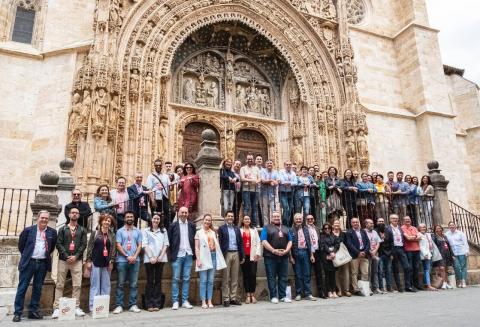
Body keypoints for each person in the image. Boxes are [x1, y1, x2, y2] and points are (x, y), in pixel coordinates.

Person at [13, 211, 57, 322]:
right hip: (29, 263)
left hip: (42, 263)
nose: (44, 220)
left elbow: (51, 248)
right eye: (42, 217)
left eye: (46, 218)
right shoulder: (28, 230)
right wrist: (28, 256)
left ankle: (33, 311)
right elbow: (21, 246)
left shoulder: (52, 232)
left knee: (37, 288)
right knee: (22, 287)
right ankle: (18, 312)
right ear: (37, 218)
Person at [51, 207, 88, 318]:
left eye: (77, 213)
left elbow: (83, 244)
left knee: (77, 284)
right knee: (60, 284)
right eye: (73, 212)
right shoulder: (62, 229)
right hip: (63, 260)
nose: (74, 214)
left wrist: (76, 256)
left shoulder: (82, 230)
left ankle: (76, 306)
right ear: (69, 215)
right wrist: (67, 256)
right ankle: (57, 308)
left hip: (77, 261)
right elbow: (59, 244)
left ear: (79, 215)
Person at [113, 211, 143, 314]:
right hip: (122, 260)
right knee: (120, 284)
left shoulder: (138, 231)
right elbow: (118, 245)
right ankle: (119, 305)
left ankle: (133, 304)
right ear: (124, 219)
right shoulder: (120, 231)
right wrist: (127, 256)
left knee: (134, 284)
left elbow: (139, 245)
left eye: (131, 216)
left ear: (134, 218)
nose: (129, 218)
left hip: (135, 260)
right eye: (127, 217)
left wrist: (134, 256)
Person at [85, 213, 116, 313]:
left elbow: (113, 249)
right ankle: (92, 308)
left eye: (109, 221)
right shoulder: (95, 233)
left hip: (106, 263)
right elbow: (89, 247)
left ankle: (103, 307)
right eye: (105, 220)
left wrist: (111, 261)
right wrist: (88, 261)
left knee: (106, 286)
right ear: (101, 221)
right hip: (95, 262)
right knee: (95, 286)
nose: (107, 222)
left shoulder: (112, 234)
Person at [195, 214, 226, 309]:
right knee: (203, 281)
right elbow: (196, 247)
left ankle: (209, 300)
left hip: (213, 256)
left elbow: (217, 246)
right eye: (206, 220)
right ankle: (203, 301)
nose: (207, 222)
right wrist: (198, 259)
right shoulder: (199, 233)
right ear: (203, 220)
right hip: (203, 257)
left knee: (210, 281)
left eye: (209, 220)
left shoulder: (213, 232)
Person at [167, 206, 196, 309]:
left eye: (186, 213)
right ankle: (175, 301)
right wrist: (171, 255)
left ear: (188, 214)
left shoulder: (192, 226)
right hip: (177, 255)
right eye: (182, 212)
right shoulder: (173, 226)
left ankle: (184, 301)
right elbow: (169, 242)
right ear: (178, 213)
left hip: (188, 254)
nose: (184, 214)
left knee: (187, 279)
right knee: (175, 278)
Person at [261, 211, 293, 303]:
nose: (276, 218)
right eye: (274, 216)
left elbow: (290, 241)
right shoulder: (266, 228)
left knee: (283, 276)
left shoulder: (286, 228)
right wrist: (273, 250)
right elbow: (263, 241)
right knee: (271, 276)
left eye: (278, 216)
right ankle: (273, 296)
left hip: (284, 256)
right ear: (271, 218)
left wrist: (286, 250)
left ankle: (282, 296)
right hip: (270, 256)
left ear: (280, 217)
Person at [142, 213, 169, 311]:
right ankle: (149, 304)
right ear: (151, 220)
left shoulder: (164, 230)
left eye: (158, 219)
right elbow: (145, 244)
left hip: (160, 259)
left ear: (160, 220)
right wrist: (151, 257)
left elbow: (166, 244)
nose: (156, 220)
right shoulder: (145, 231)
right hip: (149, 259)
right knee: (149, 281)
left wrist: (160, 256)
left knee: (158, 281)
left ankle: (157, 303)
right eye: (154, 218)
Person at [218, 210, 245, 306]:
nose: (230, 217)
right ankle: (226, 299)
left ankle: (233, 297)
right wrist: (220, 256)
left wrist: (242, 256)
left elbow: (240, 243)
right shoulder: (221, 229)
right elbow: (220, 243)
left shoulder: (237, 229)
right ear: (225, 217)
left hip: (236, 253)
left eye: (232, 216)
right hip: (226, 254)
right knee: (225, 277)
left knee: (235, 277)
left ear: (233, 218)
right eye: (228, 216)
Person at [289, 213, 316, 301]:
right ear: (294, 220)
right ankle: (299, 293)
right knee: (298, 274)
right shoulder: (291, 230)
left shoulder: (306, 229)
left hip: (305, 252)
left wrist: (311, 255)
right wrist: (291, 257)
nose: (298, 220)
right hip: (296, 253)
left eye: (300, 219)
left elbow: (310, 242)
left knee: (307, 274)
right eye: (297, 219)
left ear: (302, 219)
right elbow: (289, 244)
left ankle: (308, 293)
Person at [387, 214, 414, 292]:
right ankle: (399, 287)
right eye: (393, 218)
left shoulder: (400, 228)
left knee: (407, 267)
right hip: (393, 249)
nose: (395, 220)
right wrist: (390, 253)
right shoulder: (388, 229)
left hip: (401, 249)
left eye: (396, 218)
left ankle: (408, 286)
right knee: (396, 269)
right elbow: (386, 242)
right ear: (390, 220)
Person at [345, 217, 370, 296]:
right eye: (354, 222)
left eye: (357, 222)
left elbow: (368, 242)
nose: (355, 223)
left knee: (365, 272)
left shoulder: (363, 231)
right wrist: (358, 252)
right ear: (351, 223)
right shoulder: (349, 232)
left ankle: (365, 288)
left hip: (364, 255)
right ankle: (356, 289)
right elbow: (349, 244)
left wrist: (365, 251)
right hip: (355, 255)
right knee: (354, 273)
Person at [240, 215, 262, 304]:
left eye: (248, 219)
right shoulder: (239, 230)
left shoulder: (254, 230)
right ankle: (248, 295)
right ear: (243, 221)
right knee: (245, 275)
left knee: (253, 275)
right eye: (245, 219)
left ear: (250, 220)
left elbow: (258, 242)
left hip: (253, 256)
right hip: (244, 257)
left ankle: (253, 294)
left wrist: (257, 253)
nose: (247, 220)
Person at [306, 215, 326, 298]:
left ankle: (321, 292)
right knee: (307, 273)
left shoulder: (317, 228)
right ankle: (308, 293)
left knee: (319, 273)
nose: (310, 220)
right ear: (306, 220)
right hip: (308, 252)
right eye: (308, 219)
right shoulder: (304, 228)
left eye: (311, 219)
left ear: (314, 220)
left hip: (317, 252)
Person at [445, 221, 470, 288]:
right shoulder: (447, 234)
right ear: (449, 227)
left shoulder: (460, 233)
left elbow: (465, 243)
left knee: (463, 267)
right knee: (456, 267)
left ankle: (463, 281)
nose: (452, 226)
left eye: (453, 225)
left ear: (455, 226)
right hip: (454, 253)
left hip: (462, 251)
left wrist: (467, 251)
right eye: (450, 225)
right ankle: (459, 280)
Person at [147, 159, 171, 226]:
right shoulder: (150, 176)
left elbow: (170, 188)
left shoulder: (166, 176)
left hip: (164, 198)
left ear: (161, 166)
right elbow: (149, 189)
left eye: (159, 165)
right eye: (156, 165)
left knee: (168, 214)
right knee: (155, 215)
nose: (158, 166)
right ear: (154, 166)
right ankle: (154, 229)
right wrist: (152, 200)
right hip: (155, 198)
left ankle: (165, 229)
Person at [401, 215, 422, 290]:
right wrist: (415, 237)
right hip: (408, 250)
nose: (407, 221)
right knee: (410, 268)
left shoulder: (414, 228)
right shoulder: (402, 228)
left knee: (416, 268)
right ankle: (410, 285)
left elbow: (420, 237)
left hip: (416, 249)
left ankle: (417, 284)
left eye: (408, 219)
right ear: (403, 221)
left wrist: (412, 237)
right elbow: (408, 238)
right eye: (406, 220)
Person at [240, 154, 261, 227]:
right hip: (246, 190)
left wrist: (256, 181)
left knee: (255, 207)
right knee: (247, 207)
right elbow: (242, 178)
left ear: (253, 160)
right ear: (246, 160)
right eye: (249, 159)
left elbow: (259, 179)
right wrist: (252, 180)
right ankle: (246, 223)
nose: (250, 160)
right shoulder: (243, 168)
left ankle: (254, 224)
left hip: (255, 190)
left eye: (251, 159)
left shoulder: (256, 168)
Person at [319, 222, 339, 298]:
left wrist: (333, 252)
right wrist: (330, 252)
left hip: (333, 257)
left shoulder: (333, 235)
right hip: (326, 257)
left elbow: (337, 244)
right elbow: (323, 246)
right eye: (325, 228)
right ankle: (329, 291)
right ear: (323, 229)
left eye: (328, 228)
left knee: (333, 275)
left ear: (331, 228)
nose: (327, 229)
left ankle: (334, 291)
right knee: (327, 275)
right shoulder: (322, 236)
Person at [432, 225, 454, 289]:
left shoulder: (444, 236)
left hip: (447, 254)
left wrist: (452, 254)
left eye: (440, 228)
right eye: (437, 228)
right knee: (442, 268)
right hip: (440, 255)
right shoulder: (434, 237)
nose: (439, 229)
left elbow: (449, 246)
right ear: (435, 230)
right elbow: (434, 246)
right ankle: (444, 283)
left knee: (446, 269)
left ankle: (446, 283)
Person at [332, 219, 350, 297]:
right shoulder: (331, 234)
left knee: (346, 272)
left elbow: (347, 243)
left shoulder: (343, 234)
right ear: (332, 225)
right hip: (335, 255)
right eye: (335, 223)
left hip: (344, 255)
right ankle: (339, 290)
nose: (337, 225)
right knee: (337, 273)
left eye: (338, 223)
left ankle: (346, 290)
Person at [364, 218, 381, 294]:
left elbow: (378, 242)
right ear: (366, 224)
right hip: (368, 254)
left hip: (375, 253)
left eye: (372, 223)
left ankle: (376, 288)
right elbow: (364, 243)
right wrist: (371, 252)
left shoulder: (375, 232)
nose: (372, 225)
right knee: (368, 272)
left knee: (375, 271)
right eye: (370, 223)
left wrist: (375, 251)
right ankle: (369, 288)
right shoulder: (363, 232)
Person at [418, 223, 437, 291]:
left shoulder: (427, 234)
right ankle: (428, 285)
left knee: (427, 269)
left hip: (429, 253)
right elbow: (420, 246)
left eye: (424, 227)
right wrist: (425, 254)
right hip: (424, 254)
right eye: (422, 227)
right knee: (426, 269)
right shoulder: (419, 235)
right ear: (419, 228)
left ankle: (426, 284)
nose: (423, 228)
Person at [376, 217, 393, 293]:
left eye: (382, 221)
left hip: (388, 254)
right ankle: (382, 287)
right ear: (377, 223)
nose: (381, 223)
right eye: (379, 221)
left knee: (388, 271)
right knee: (381, 271)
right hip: (379, 254)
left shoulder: (388, 231)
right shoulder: (375, 231)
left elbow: (392, 243)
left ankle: (389, 287)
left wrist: (391, 253)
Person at [260, 159, 279, 226]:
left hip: (273, 194)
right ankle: (266, 225)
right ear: (265, 165)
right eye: (268, 163)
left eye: (271, 163)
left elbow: (277, 181)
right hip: (264, 193)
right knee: (265, 210)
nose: (269, 164)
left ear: (273, 164)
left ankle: (273, 224)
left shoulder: (276, 172)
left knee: (273, 210)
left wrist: (274, 182)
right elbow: (263, 180)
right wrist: (271, 180)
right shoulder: (263, 171)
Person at [278, 160, 297, 226]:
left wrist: (289, 183)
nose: (288, 166)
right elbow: (282, 181)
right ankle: (284, 224)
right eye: (287, 164)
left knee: (290, 208)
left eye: (289, 164)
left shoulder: (293, 173)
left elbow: (295, 182)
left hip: (290, 192)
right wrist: (290, 183)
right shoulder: (281, 172)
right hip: (283, 192)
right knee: (286, 208)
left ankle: (287, 223)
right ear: (284, 165)